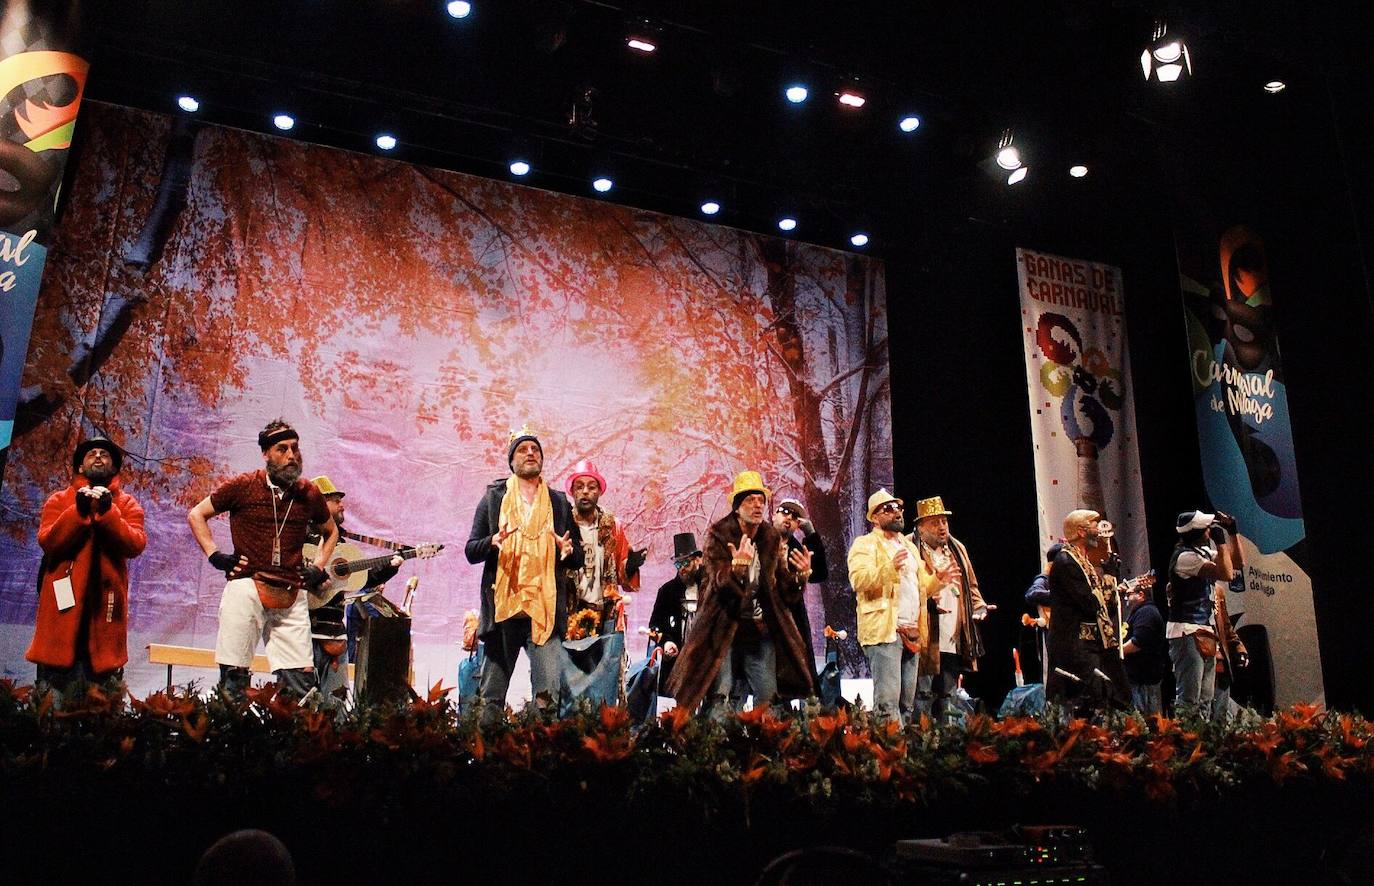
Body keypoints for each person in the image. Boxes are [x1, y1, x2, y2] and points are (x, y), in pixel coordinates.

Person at [187, 419, 337, 700]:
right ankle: (236, 738)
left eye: (295, 448)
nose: (291, 456)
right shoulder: (244, 486)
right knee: (234, 678)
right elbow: (197, 514)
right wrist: (215, 555)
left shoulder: (308, 493)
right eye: (282, 449)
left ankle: (291, 739)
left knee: (301, 683)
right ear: (266, 454)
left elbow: (331, 531)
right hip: (247, 585)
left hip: (291, 591)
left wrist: (318, 567)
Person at [665, 470, 813, 717]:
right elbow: (717, 583)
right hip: (723, 627)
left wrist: (799, 578)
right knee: (720, 694)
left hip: (758, 628)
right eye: (750, 500)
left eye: (761, 500)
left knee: (768, 696)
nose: (758, 505)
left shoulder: (770, 537)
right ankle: (715, 748)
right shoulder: (719, 535)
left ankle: (765, 751)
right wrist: (736, 571)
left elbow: (784, 592)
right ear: (737, 506)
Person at [464, 427, 582, 724]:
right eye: (523, 450)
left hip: (544, 611)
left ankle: (535, 761)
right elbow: (470, 550)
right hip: (504, 611)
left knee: (546, 699)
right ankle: (485, 760)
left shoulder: (557, 502)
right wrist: (491, 541)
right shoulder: (494, 498)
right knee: (491, 697)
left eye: (536, 450)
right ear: (511, 461)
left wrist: (569, 552)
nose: (531, 453)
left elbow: (576, 553)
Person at [27, 437, 147, 696]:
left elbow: (135, 544)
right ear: (80, 467)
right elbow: (48, 541)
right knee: (52, 705)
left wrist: (108, 513)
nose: (98, 456)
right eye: (91, 453)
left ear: (114, 468)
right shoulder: (59, 500)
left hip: (104, 609)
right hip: (62, 610)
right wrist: (77, 513)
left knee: (100, 703)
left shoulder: (127, 505)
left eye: (105, 454)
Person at [846, 489, 941, 724]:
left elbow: (920, 588)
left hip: (912, 631)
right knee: (888, 704)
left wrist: (939, 580)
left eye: (898, 507)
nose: (896, 512)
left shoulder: (909, 547)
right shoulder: (865, 544)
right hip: (885, 632)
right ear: (874, 517)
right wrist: (888, 568)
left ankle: (903, 756)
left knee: (906, 704)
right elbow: (858, 580)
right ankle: (888, 757)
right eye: (888, 509)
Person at [305, 475, 403, 703]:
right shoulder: (299, 538)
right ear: (320, 503)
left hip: (335, 634)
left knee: (336, 704)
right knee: (301, 706)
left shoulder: (341, 545)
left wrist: (390, 566)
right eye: (336, 500)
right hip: (302, 631)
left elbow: (360, 578)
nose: (342, 505)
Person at [910, 496, 989, 717]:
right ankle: (922, 743)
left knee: (949, 693)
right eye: (935, 522)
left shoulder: (957, 548)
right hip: (926, 633)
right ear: (920, 527)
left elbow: (971, 586)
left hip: (953, 633)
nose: (942, 527)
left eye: (944, 521)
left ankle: (948, 742)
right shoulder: (910, 547)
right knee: (923, 693)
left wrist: (979, 606)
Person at [1045, 509, 1129, 713]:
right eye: (1094, 525)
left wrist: (1110, 579)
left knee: (1108, 696)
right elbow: (1091, 605)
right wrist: (1108, 578)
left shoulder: (1083, 561)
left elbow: (1103, 605)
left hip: (1088, 645)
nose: (1098, 531)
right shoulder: (1066, 563)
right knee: (1088, 701)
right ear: (1081, 532)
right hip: (1074, 647)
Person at [1166, 510, 1235, 716]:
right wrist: (1221, 544)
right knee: (1189, 698)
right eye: (1205, 527)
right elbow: (1227, 574)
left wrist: (1233, 533)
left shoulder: (1201, 553)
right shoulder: (1185, 558)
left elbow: (1236, 564)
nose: (1209, 530)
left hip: (1204, 628)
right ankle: (1186, 744)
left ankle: (1203, 743)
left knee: (1205, 698)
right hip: (1187, 631)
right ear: (1195, 532)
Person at [565, 459, 645, 633]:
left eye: (591, 487)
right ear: (572, 492)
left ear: (600, 491)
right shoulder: (564, 526)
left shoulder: (612, 527)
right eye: (579, 486)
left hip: (606, 615)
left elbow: (623, 578)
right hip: (570, 615)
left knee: (609, 659)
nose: (585, 491)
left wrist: (631, 566)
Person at [772, 496, 828, 694]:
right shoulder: (759, 541)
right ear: (773, 515)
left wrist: (810, 533)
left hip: (791, 618)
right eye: (784, 512)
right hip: (763, 619)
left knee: (791, 678)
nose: (789, 517)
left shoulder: (798, 549)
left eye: (795, 516)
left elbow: (820, 573)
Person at [647, 531, 702, 689]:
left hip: (705, 658)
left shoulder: (710, 588)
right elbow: (655, 625)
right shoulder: (667, 591)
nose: (682, 569)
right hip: (677, 661)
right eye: (678, 564)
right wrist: (666, 641)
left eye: (686, 563)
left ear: (698, 560)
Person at [1021, 542, 1064, 686]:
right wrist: (1061, 596)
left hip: (1069, 630)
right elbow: (1031, 594)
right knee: (1058, 671)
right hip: (1054, 633)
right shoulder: (1044, 579)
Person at [1121, 579, 1166, 716]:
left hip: (1144, 680)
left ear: (1141, 595)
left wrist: (1117, 652)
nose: (1126, 599)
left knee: (1145, 719)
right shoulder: (1141, 612)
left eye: (1129, 594)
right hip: (1138, 678)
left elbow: (1138, 642)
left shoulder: (1147, 612)